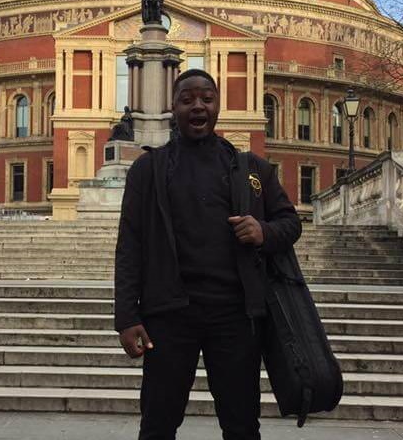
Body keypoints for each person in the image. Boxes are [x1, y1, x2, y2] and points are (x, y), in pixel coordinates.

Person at [115, 69, 302, 439]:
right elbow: (129, 244)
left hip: (234, 316)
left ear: (218, 107)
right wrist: (126, 316)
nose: (197, 106)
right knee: (157, 423)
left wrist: (262, 231)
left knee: (242, 424)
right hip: (168, 315)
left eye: (206, 99)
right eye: (187, 100)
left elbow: (290, 223)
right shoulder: (147, 170)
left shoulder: (252, 169)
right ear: (174, 107)